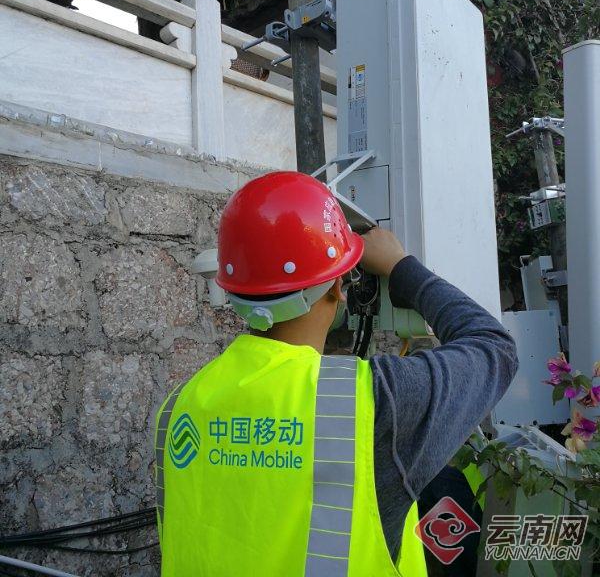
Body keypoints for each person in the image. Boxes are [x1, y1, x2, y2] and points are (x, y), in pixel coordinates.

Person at [155, 171, 518, 577]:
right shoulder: (376, 402)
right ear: (337, 287)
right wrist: (400, 267)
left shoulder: (178, 406)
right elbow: (494, 346)